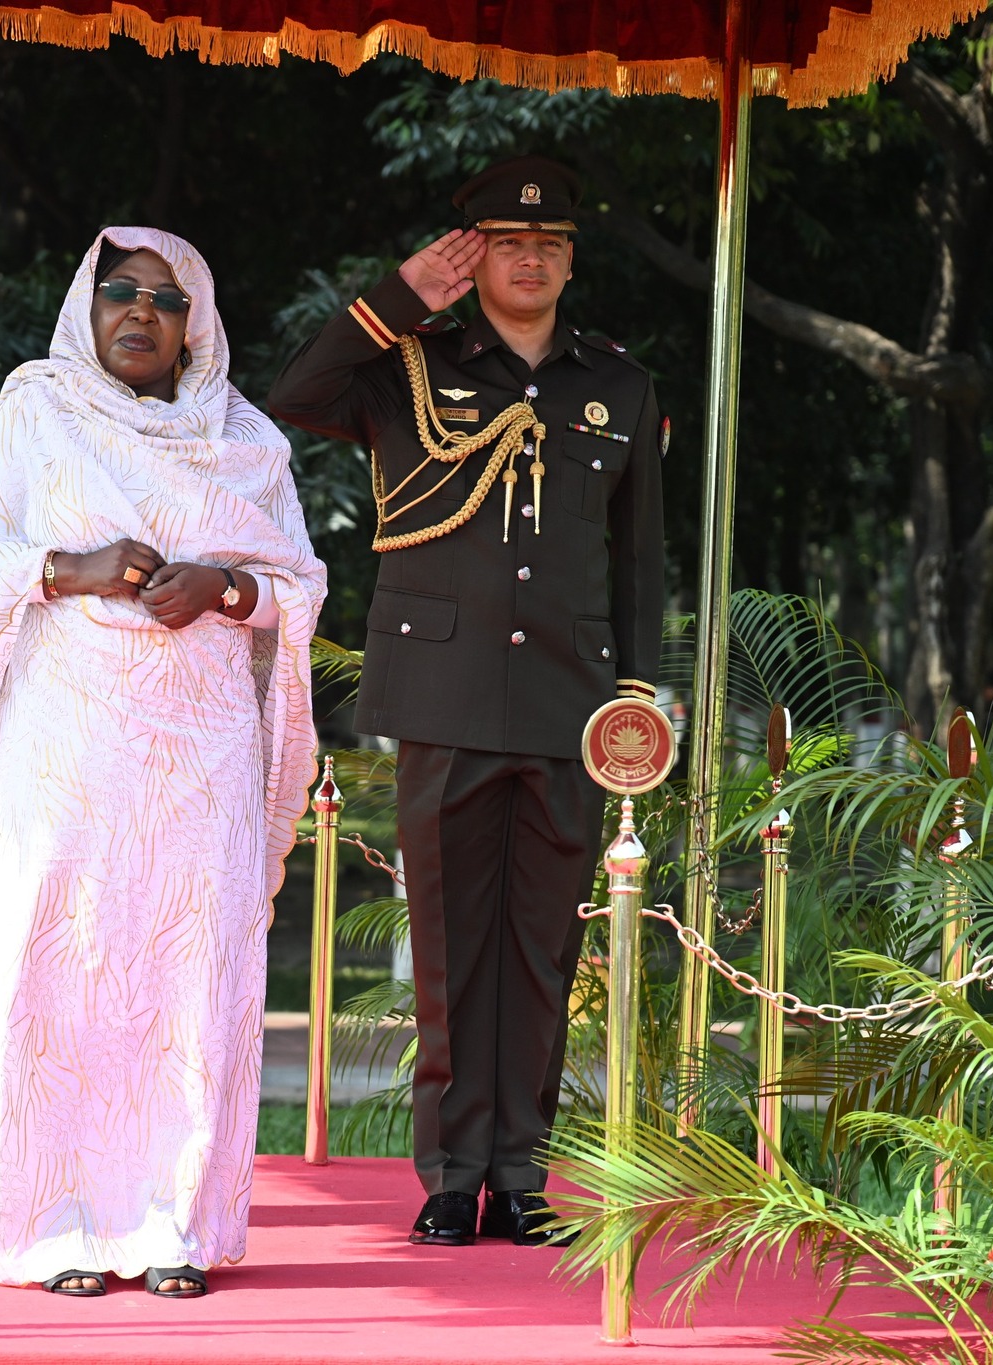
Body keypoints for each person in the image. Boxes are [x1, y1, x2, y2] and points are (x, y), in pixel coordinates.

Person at [0, 227, 327, 1297]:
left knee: (193, 969)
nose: (140, 313)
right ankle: (54, 1225)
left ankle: (176, 1224)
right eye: (118, 293)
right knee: (51, 969)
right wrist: (61, 567)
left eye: (165, 300)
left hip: (201, 750)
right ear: (87, 309)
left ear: (197, 323)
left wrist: (226, 589)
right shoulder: (33, 413)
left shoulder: (248, 442)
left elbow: (299, 586)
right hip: (63, 745)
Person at [268, 157, 665, 1248]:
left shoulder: (617, 387)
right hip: (440, 695)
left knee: (541, 952)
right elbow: (292, 394)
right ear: (472, 255)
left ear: (570, 260)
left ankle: (520, 1172)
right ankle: (450, 1175)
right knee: (447, 950)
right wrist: (395, 300)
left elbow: (637, 559)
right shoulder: (407, 366)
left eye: (547, 244)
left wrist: (633, 696)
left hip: (570, 703)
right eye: (504, 241)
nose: (527, 257)